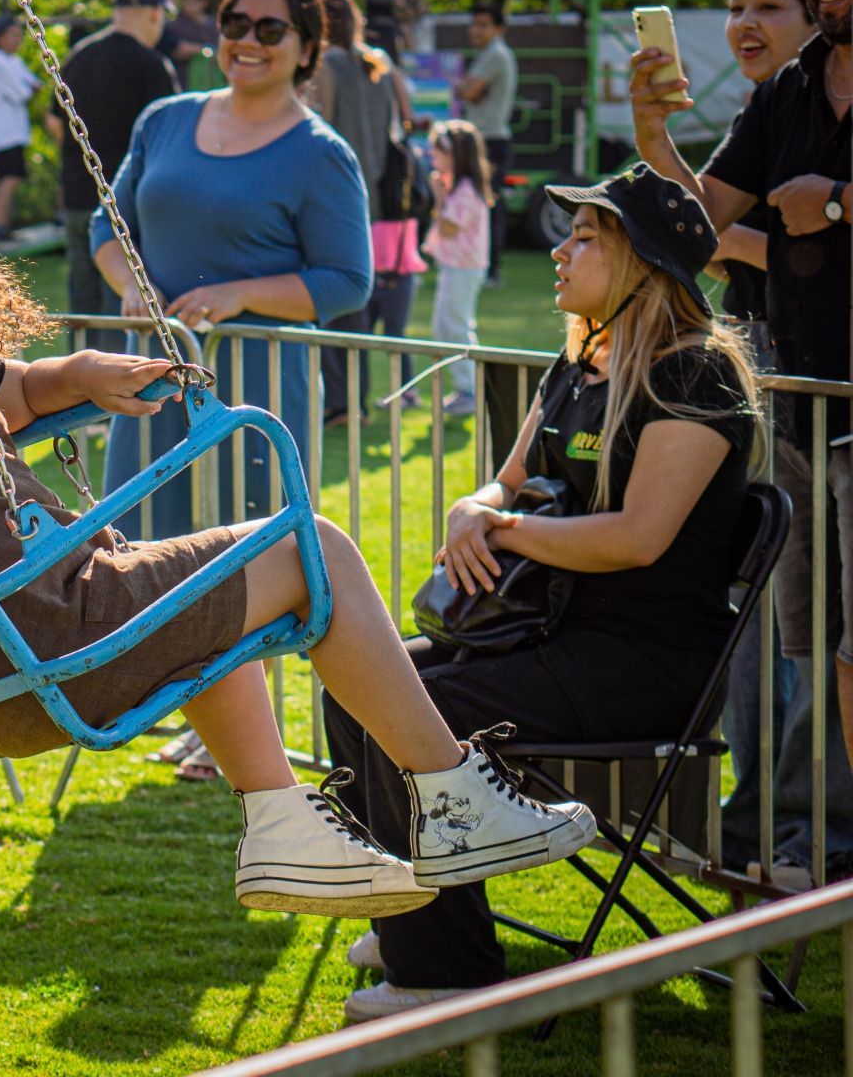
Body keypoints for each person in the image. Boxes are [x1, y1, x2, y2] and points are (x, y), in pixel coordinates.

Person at [0, 168, 593, 919]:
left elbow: (21, 391)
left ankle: (284, 826)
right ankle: (451, 793)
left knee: (205, 587)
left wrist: (87, 372)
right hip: (37, 651)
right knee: (310, 548)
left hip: (53, 629)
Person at [326, 165, 760, 1019]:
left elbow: (637, 537)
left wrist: (507, 528)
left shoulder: (695, 377)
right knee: (359, 682)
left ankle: (445, 972)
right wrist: (473, 507)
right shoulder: (581, 363)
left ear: (644, 261)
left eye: (585, 237)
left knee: (424, 708)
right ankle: (417, 915)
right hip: (550, 633)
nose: (559, 250)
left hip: (646, 662)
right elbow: (510, 480)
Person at [632, 0, 853, 878]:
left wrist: (838, 203)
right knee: (807, 643)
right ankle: (811, 842)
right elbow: (700, 224)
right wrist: (653, 134)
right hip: (797, 400)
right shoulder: (792, 89)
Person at [92, 0, 372, 537]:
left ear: (306, 49)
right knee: (138, 552)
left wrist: (238, 295)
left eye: (270, 30)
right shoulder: (164, 120)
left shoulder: (322, 154)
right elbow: (107, 227)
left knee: (247, 557)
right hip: (151, 384)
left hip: (257, 392)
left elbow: (348, 281)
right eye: (235, 24)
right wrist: (131, 285)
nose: (247, 41)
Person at [48, 0, 180, 348]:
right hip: (124, 211)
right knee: (121, 316)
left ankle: (79, 384)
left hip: (77, 199)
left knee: (83, 313)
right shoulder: (153, 66)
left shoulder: (78, 56)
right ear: (155, 14)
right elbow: (167, 141)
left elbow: (54, 122)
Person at [312, 0, 415, 423]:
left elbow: (317, 130)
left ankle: (339, 402)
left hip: (329, 198)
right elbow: (400, 124)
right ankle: (353, 400)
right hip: (369, 201)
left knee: (329, 303)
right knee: (355, 300)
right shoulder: (377, 63)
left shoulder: (326, 65)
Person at [419, 120, 492, 417]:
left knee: (456, 326)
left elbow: (449, 227)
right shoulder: (461, 187)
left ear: (455, 155)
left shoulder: (465, 190)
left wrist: (438, 195)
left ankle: (470, 389)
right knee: (443, 326)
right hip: (455, 266)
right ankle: (464, 387)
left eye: (438, 152)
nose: (434, 157)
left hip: (464, 267)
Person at [457, 2, 518, 285]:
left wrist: (467, 88)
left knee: (488, 206)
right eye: (474, 24)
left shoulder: (495, 54)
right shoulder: (488, 54)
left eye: (483, 25)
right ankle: (481, 266)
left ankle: (490, 270)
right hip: (483, 139)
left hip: (490, 141)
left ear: (499, 29)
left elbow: (467, 91)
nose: (476, 31)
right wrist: (469, 89)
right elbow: (469, 91)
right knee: (478, 204)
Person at [0, 14, 40, 244]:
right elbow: (22, 92)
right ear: (0, 38)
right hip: (3, 133)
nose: (18, 39)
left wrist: (30, 86)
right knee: (10, 177)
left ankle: (2, 225)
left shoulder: (13, 61)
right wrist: (29, 88)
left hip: (14, 132)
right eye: (13, 35)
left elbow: (33, 82)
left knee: (11, 177)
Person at [167, 0, 222, 68]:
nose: (187, 4)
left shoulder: (216, 25)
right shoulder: (175, 25)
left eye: (192, 0)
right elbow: (178, 51)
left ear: (204, 2)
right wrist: (208, 50)